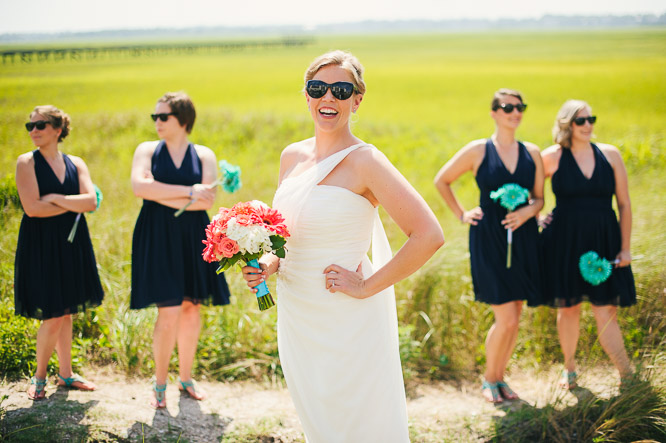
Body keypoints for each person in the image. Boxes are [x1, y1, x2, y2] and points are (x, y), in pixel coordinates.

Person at [242, 50, 444, 442]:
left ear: (357, 99)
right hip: (299, 315)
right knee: (318, 418)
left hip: (346, 317)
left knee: (357, 419)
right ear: (306, 95)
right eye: (318, 88)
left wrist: (366, 286)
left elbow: (428, 235)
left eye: (340, 89)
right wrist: (267, 263)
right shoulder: (291, 157)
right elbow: (286, 235)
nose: (328, 98)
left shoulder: (366, 161)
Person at [434, 89, 544, 403]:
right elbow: (442, 180)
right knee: (505, 317)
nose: (515, 112)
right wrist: (462, 214)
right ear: (494, 112)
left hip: (524, 239)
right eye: (508, 107)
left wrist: (527, 211)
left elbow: (540, 198)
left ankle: (500, 377)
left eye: (520, 107)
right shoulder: (478, 151)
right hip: (489, 239)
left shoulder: (532, 152)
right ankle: (489, 379)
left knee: (516, 315)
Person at [130, 92, 231, 409]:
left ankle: (185, 378)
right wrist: (189, 191)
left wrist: (158, 191)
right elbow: (138, 187)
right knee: (168, 309)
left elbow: (206, 201)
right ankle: (159, 384)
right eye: (154, 117)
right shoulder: (146, 150)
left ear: (183, 120)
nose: (157, 122)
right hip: (157, 235)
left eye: (164, 117)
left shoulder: (204, 155)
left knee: (191, 308)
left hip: (193, 236)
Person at [540, 100, 635, 389]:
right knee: (567, 308)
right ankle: (569, 370)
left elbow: (624, 203)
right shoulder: (551, 157)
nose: (588, 125)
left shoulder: (610, 155)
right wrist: (535, 219)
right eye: (581, 121)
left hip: (604, 240)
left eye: (591, 119)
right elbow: (533, 197)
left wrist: (625, 247)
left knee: (605, 308)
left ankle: (627, 375)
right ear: (567, 124)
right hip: (564, 242)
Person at [14, 105, 104, 400]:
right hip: (40, 244)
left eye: (40, 125)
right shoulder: (26, 162)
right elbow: (32, 208)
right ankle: (39, 378)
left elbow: (90, 202)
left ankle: (65, 374)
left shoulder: (76, 163)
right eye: (30, 126)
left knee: (66, 311)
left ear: (57, 129)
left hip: (71, 242)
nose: (34, 131)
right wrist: (69, 202)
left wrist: (54, 197)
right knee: (52, 313)